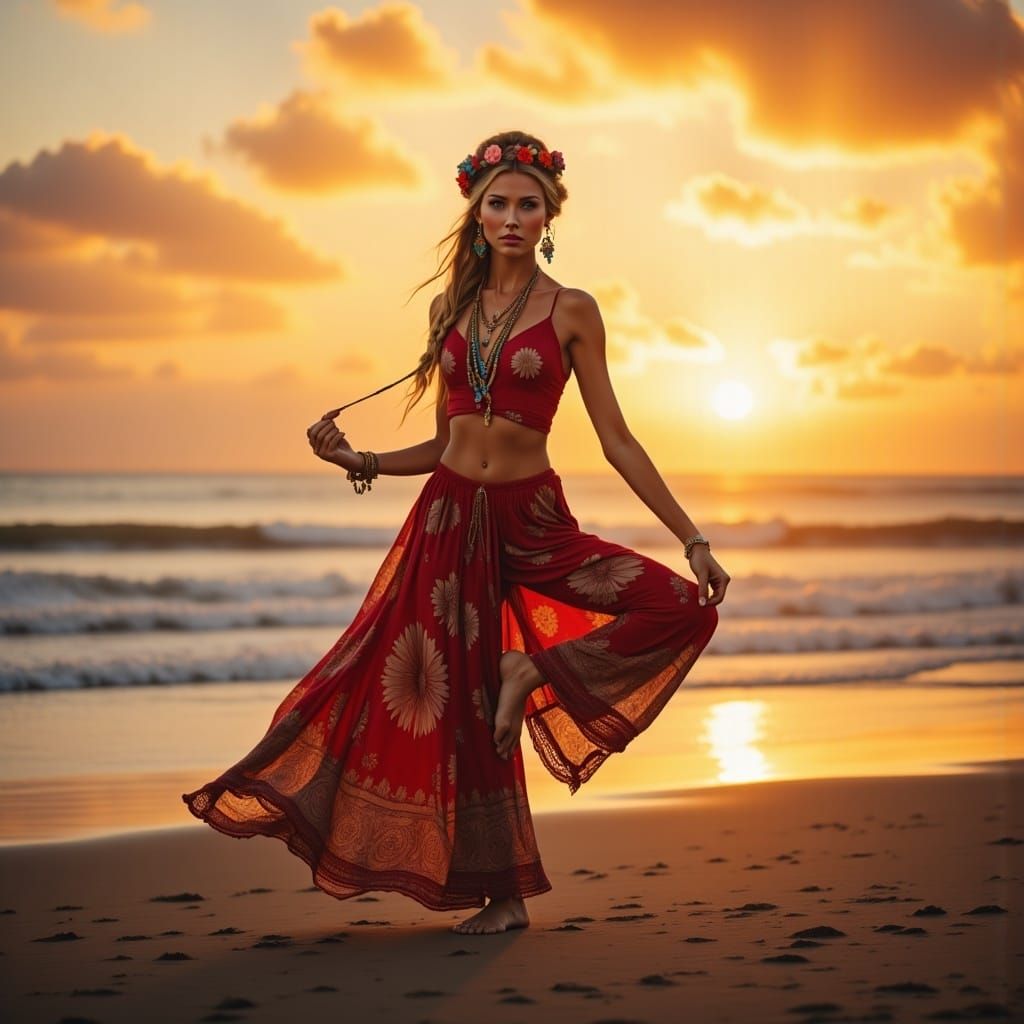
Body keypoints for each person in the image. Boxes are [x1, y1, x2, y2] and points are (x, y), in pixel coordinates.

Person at [182, 130, 729, 936]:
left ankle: (530, 670)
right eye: (498, 204)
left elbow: (616, 438)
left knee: (680, 607)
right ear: (476, 215)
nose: (512, 217)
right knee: (433, 697)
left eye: (528, 205)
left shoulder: (571, 310)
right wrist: (358, 457)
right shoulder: (451, 311)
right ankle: (503, 897)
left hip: (532, 517)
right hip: (445, 519)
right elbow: (446, 443)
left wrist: (692, 538)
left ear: (550, 216)